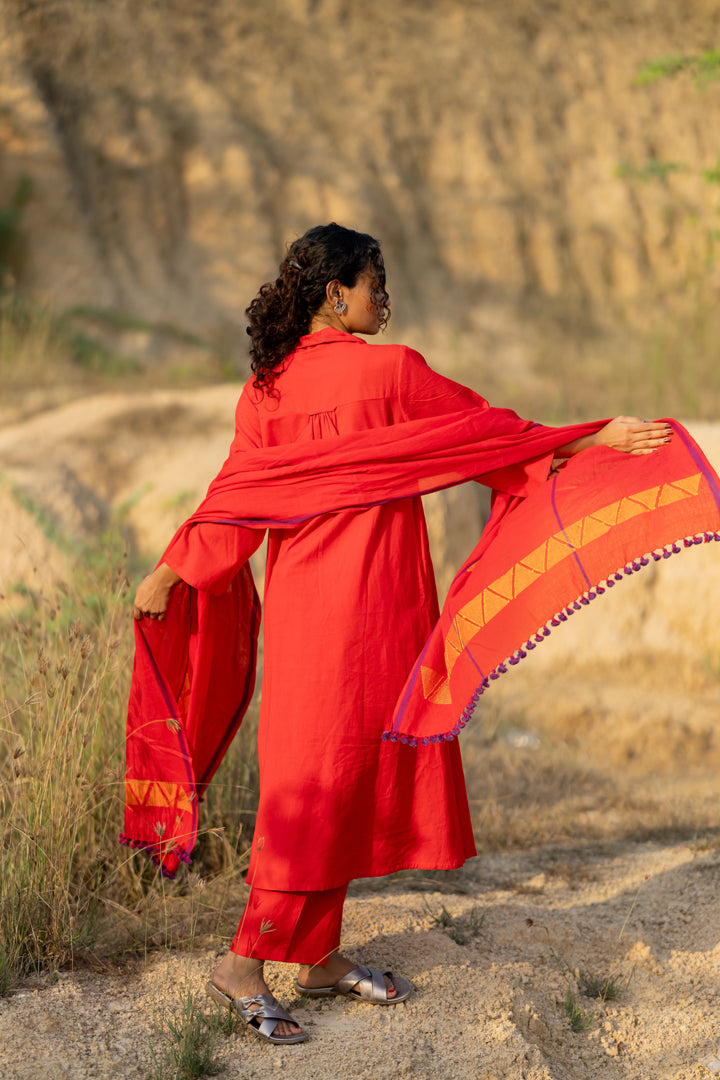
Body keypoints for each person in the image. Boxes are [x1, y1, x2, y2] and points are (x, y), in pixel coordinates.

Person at [132, 223, 672, 1044]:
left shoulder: (266, 390)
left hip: (331, 613)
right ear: (333, 294)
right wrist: (589, 438)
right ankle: (242, 963)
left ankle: (316, 959)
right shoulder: (388, 371)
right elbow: (495, 436)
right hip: (365, 609)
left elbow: (230, 504)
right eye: (375, 283)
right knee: (309, 789)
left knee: (337, 777)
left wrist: (173, 571)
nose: (385, 299)